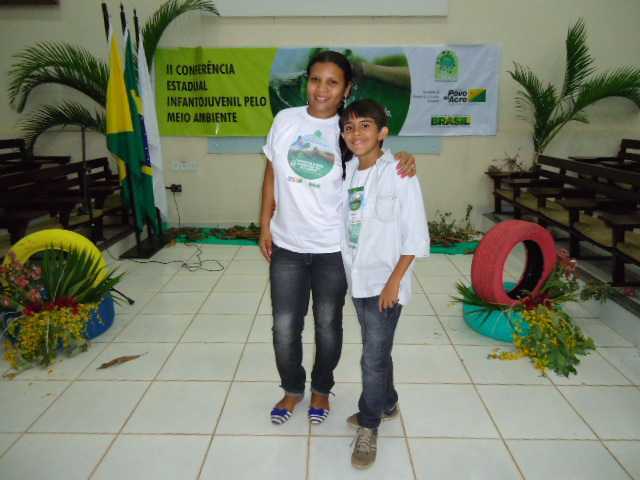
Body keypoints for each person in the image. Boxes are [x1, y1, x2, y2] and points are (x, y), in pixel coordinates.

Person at [259, 50, 417, 426]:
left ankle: (321, 389)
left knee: (328, 325)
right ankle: (292, 389)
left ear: (346, 89)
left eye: (332, 82)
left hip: (333, 248)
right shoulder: (285, 120)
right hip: (287, 244)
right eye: (316, 80)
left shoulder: (348, 132)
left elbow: (377, 158)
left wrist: (404, 157)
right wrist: (265, 223)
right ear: (307, 82)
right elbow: (271, 174)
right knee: (284, 326)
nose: (321, 89)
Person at [338, 99, 429, 469]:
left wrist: (393, 283)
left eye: (365, 125)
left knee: (372, 357)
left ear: (382, 133)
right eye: (349, 127)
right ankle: (387, 402)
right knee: (377, 349)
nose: (356, 133)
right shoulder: (346, 172)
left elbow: (416, 235)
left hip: (386, 282)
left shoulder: (399, 173)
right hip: (357, 278)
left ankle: (369, 424)